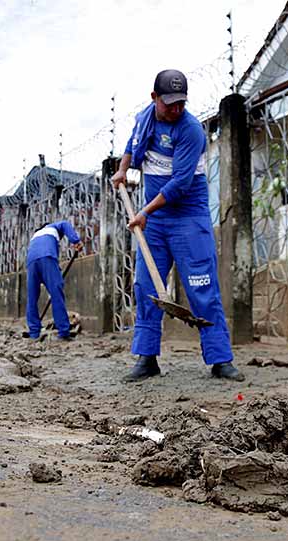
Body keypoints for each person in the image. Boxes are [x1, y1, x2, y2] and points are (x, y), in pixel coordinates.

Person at [111, 69, 243, 382]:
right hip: (153, 219)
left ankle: (220, 360)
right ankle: (147, 358)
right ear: (154, 98)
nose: (175, 109)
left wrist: (143, 210)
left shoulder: (192, 130)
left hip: (187, 215)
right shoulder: (145, 119)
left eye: (180, 103)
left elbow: (180, 184)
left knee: (201, 286)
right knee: (146, 287)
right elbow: (131, 145)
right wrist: (122, 170)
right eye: (169, 103)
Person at [25, 220, 83, 340]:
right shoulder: (54, 227)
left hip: (31, 262)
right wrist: (75, 241)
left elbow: (42, 254)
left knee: (32, 297)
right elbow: (66, 224)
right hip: (47, 257)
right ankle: (63, 332)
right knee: (56, 293)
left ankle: (34, 332)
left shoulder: (36, 236)